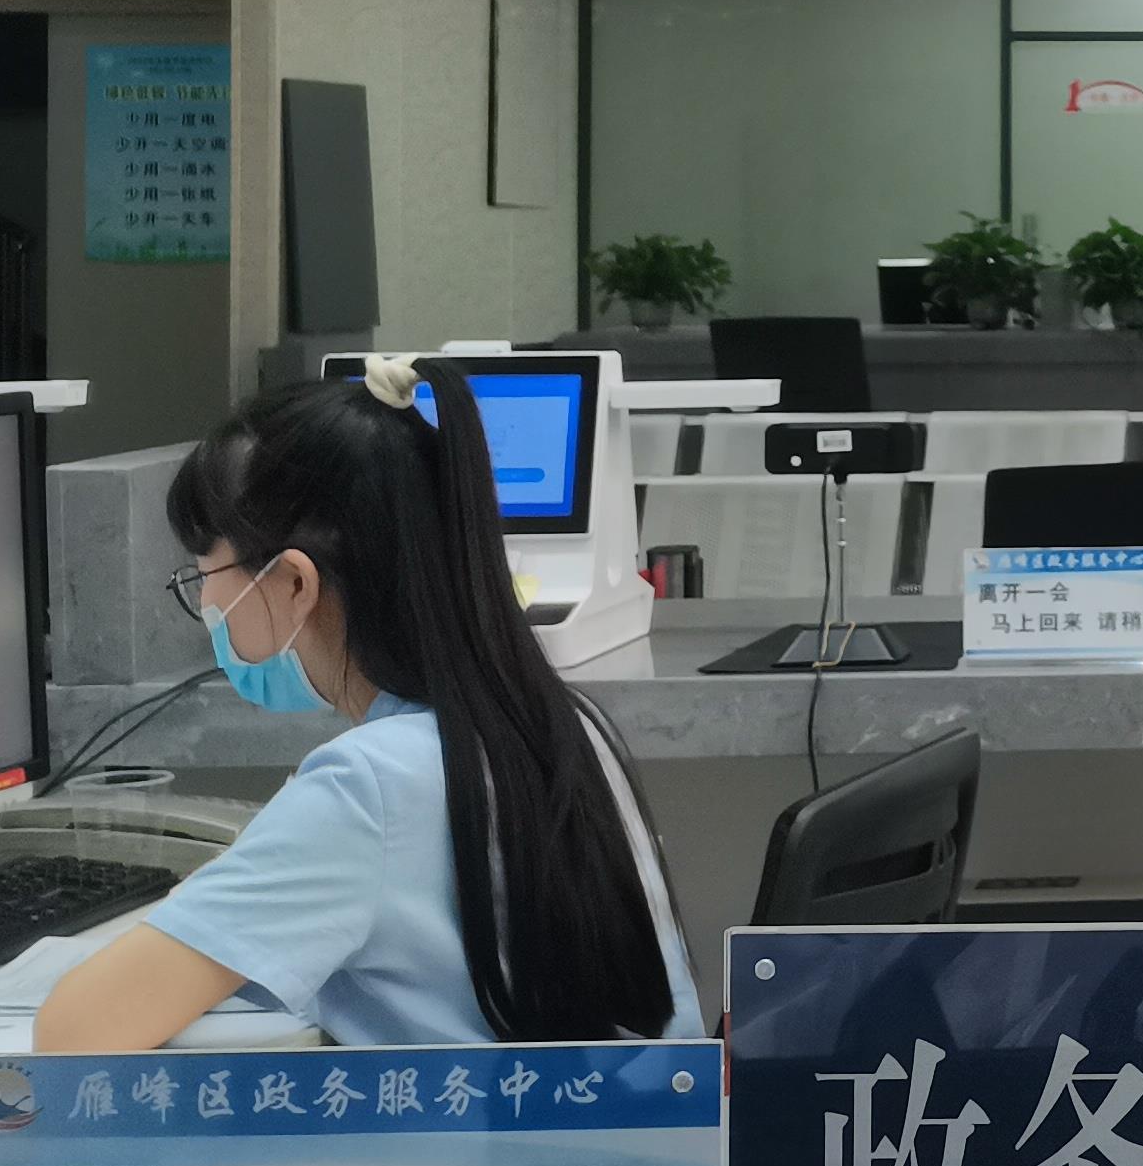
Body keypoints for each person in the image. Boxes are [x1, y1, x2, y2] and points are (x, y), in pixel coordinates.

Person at [36, 356, 705, 1050]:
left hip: (478, 1125)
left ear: (294, 584)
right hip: (607, 1116)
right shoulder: (562, 725)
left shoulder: (368, 787)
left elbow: (73, 1035)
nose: (205, 601)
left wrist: (199, 903)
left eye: (205, 573)